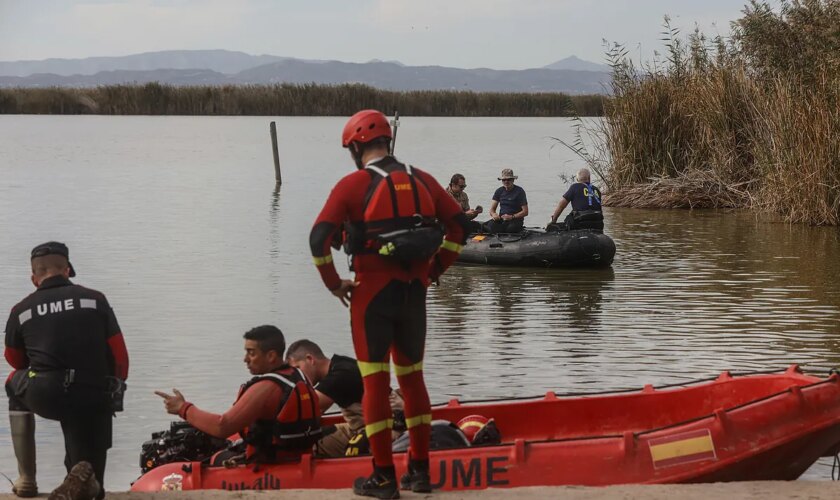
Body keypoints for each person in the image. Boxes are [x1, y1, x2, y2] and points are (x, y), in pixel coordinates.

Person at [310, 109, 469, 498]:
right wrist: (436, 270)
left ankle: (383, 477)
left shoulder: (352, 186)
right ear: (388, 142)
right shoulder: (424, 180)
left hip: (371, 296)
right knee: (412, 379)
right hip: (415, 293)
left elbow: (318, 240)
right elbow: (460, 227)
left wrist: (334, 284)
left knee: (375, 384)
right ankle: (419, 471)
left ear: (355, 147)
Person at [4, 241, 129, 500]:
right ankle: (84, 480)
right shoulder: (96, 300)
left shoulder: (21, 310)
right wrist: (110, 388)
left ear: (33, 278)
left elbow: (15, 361)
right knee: (91, 479)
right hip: (92, 395)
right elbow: (120, 359)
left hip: (45, 392)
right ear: (68, 270)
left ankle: (27, 479)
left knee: (13, 382)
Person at [155, 325, 322, 466]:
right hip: (300, 457)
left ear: (271, 356)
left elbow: (222, 426)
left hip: (270, 465)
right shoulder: (299, 376)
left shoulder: (266, 388)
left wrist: (183, 408)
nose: (245, 359)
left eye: (251, 353)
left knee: (214, 458)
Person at [285, 339, 405, 458]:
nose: (298, 378)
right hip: (363, 425)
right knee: (317, 438)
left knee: (354, 449)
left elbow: (303, 405)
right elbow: (317, 411)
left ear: (310, 359)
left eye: (298, 369)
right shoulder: (337, 366)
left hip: (391, 425)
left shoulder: (340, 376)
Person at [548, 168, 604, 232]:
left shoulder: (574, 187)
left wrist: (554, 220)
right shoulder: (596, 190)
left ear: (577, 179)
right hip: (598, 224)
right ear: (589, 178)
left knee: (568, 219)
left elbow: (562, 205)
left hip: (580, 223)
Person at [486, 168, 528, 234]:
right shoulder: (499, 191)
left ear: (513, 180)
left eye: (509, 179)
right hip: (501, 219)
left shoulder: (520, 191)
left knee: (510, 229)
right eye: (504, 180)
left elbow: (525, 212)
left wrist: (512, 217)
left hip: (515, 220)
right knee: (490, 227)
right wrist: (494, 215)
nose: (506, 181)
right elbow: (492, 210)